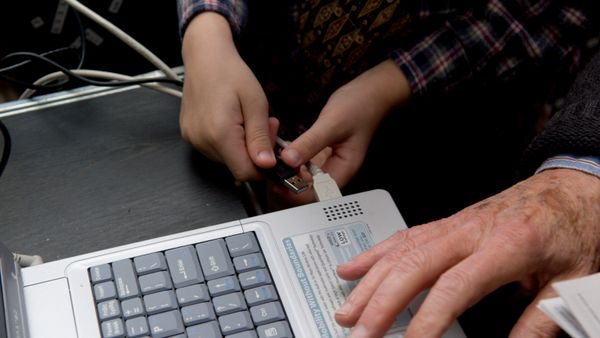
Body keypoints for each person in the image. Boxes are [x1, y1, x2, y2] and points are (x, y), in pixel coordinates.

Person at [175, 0, 600, 336]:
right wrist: (207, 34)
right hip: (269, 78)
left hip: (453, 145)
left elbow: (539, 16)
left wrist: (386, 87)